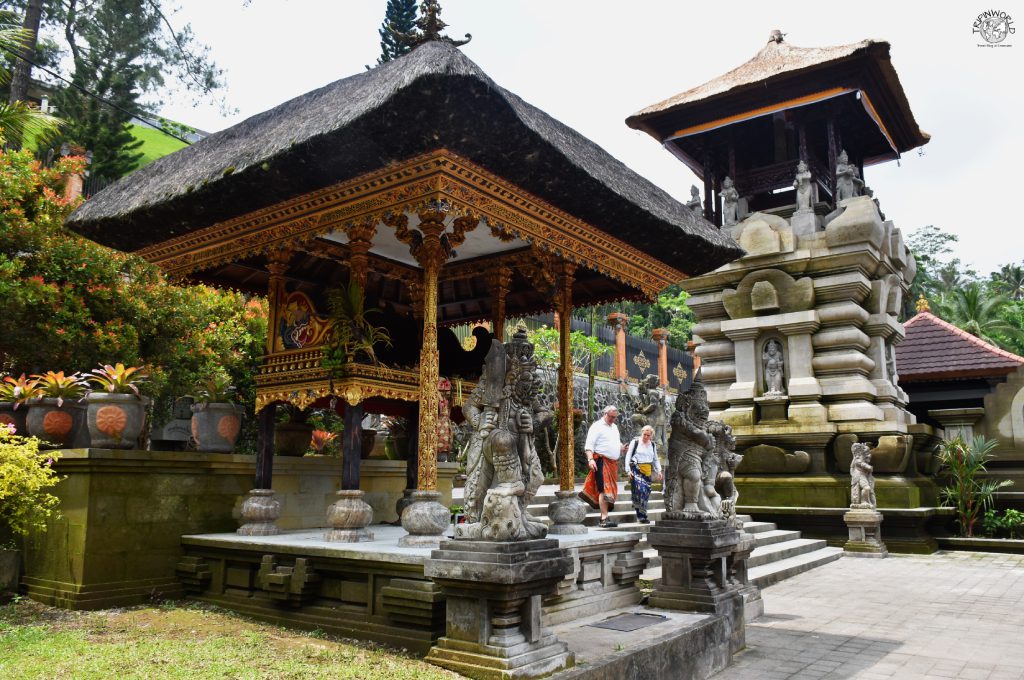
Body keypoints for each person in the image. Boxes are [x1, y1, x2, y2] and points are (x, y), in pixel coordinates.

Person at [580, 404, 626, 527]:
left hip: (613, 464)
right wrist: (590, 460)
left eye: (615, 417)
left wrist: (621, 448)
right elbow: (589, 446)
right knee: (604, 490)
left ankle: (605, 517)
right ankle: (603, 518)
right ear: (604, 414)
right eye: (611, 417)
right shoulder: (597, 426)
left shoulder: (614, 427)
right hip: (601, 461)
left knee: (610, 490)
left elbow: (615, 443)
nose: (612, 419)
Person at [625, 425, 663, 523]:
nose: (645, 437)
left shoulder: (653, 445)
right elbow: (628, 455)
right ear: (642, 433)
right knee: (639, 492)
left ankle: (643, 513)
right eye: (644, 434)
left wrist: (659, 470)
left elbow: (655, 459)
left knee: (645, 493)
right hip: (636, 469)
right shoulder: (635, 442)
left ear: (651, 436)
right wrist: (628, 470)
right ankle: (641, 516)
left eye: (648, 435)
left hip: (647, 471)